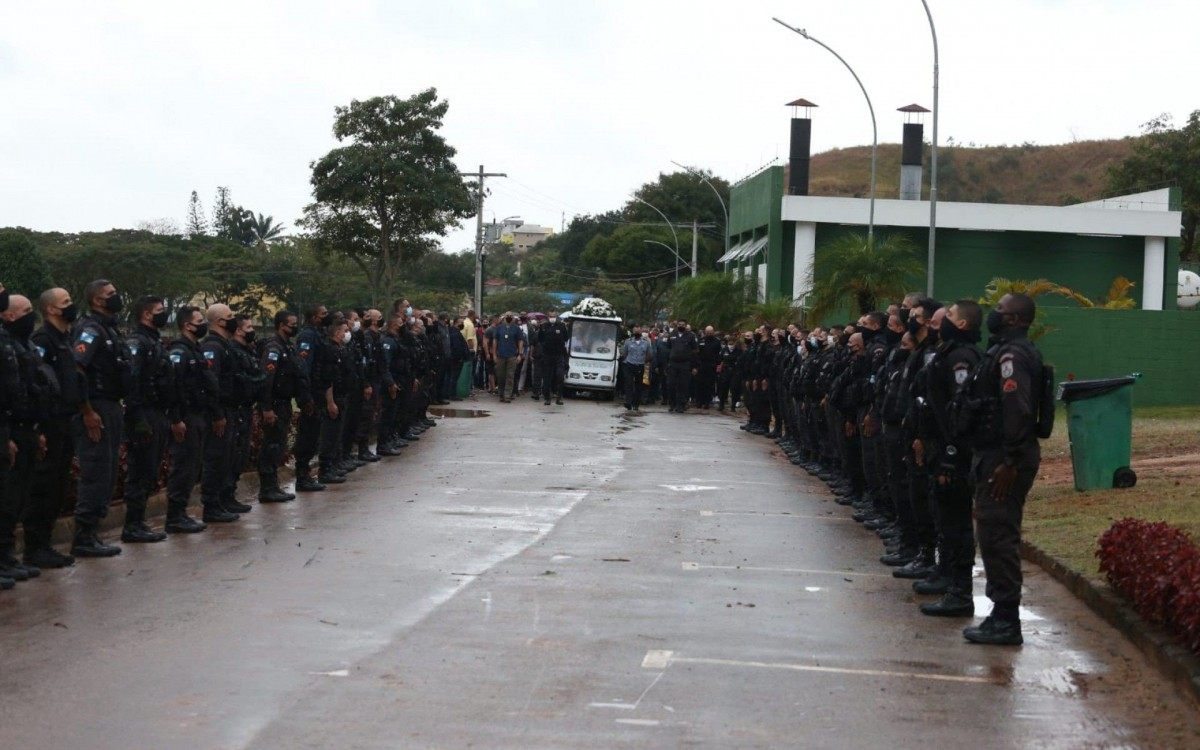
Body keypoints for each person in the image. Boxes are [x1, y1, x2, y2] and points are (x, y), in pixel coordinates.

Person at [961, 293, 1044, 646]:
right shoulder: (1002, 350)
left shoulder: (1013, 356)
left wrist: (1010, 460)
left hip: (1005, 459)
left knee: (999, 535)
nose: (992, 315)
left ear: (1013, 319)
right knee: (991, 533)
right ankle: (1000, 613)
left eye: (999, 310)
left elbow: (1018, 410)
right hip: (994, 455)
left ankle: (1008, 620)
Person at [917, 299, 983, 618]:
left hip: (954, 453)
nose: (941, 321)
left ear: (962, 325)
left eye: (950, 316)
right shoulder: (948, 352)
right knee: (945, 518)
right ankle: (947, 576)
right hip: (942, 448)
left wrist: (950, 455)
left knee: (957, 523)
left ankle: (960, 591)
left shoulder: (961, 358)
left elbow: (961, 412)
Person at [70, 279, 130, 557]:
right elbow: (77, 369)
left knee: (107, 471)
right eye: (111, 294)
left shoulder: (109, 328)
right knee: (95, 471)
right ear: (97, 300)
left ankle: (93, 533)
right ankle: (83, 537)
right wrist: (87, 411)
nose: (116, 298)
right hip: (96, 407)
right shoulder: (90, 329)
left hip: (111, 406)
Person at [25, 288, 80, 568]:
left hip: (66, 421)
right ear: (51, 310)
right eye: (66, 302)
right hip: (50, 422)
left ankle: (45, 544)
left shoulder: (66, 339)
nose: (71, 306)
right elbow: (39, 385)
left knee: (58, 485)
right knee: (43, 487)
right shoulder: (43, 340)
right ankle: (35, 547)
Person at [0, 295, 50, 582]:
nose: (32, 316)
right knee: (7, 498)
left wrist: (37, 429)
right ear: (9, 316)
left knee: (18, 497)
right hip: (11, 427)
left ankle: (7, 557)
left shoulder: (22, 343)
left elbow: (29, 387)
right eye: (27, 311)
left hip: (26, 426)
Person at [121, 296, 174, 543]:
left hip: (157, 412)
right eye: (160, 311)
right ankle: (132, 525)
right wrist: (138, 417)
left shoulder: (154, 341)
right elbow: (132, 383)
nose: (164, 314)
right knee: (140, 470)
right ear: (146, 314)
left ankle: (139, 522)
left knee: (149, 471)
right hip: (143, 413)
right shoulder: (137, 341)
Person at [164, 305, 214, 534]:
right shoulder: (179, 351)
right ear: (187, 325)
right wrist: (176, 418)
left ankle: (181, 513)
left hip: (198, 415)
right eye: (199, 320)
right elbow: (173, 387)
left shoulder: (196, 349)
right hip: (185, 417)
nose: (203, 323)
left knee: (193, 467)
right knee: (183, 467)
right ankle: (175, 516)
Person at [199, 304, 242, 522]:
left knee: (227, 458)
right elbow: (211, 383)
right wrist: (217, 414)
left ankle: (224, 499)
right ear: (218, 321)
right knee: (215, 458)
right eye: (230, 316)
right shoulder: (212, 347)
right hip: (218, 411)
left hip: (229, 408)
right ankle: (211, 506)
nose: (234, 319)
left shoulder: (225, 345)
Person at [258, 310, 305, 502]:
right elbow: (267, 380)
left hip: (284, 403)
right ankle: (267, 489)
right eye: (292, 323)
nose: (295, 327)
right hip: (275, 404)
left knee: (278, 447)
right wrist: (266, 408)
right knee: (271, 446)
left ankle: (273, 486)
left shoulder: (288, 347)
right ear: (281, 326)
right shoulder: (274, 348)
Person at [225, 315, 265, 512]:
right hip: (236, 408)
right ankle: (224, 498)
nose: (252, 330)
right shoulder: (232, 350)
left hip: (246, 407)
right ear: (239, 330)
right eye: (249, 327)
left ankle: (229, 495)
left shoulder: (248, 350)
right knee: (231, 455)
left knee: (240, 455)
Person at [293, 306, 328, 492]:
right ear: (314, 317)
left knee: (313, 436)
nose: (326, 317)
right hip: (311, 393)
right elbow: (304, 367)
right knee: (307, 436)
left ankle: (305, 474)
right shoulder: (307, 336)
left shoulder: (318, 334)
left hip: (318, 392)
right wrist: (306, 397)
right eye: (323, 314)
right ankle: (302, 475)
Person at [315, 313, 351, 485]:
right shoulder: (329, 349)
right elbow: (328, 379)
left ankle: (334, 465)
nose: (346, 333)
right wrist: (330, 402)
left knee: (337, 433)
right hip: (334, 398)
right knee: (329, 435)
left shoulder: (340, 348)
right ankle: (325, 469)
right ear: (337, 332)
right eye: (344, 330)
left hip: (342, 395)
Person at [490, 312, 525, 403]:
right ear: (504, 317)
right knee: (501, 376)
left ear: (513, 318)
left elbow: (520, 341)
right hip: (500, 355)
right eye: (507, 315)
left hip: (512, 356)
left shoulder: (516, 328)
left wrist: (520, 354)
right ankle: (501, 393)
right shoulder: (499, 328)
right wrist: (494, 354)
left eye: (511, 316)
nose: (509, 317)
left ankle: (507, 395)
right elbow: (495, 341)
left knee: (510, 376)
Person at [537, 312, 569, 405]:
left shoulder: (561, 326)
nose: (552, 318)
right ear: (548, 317)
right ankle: (547, 398)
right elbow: (540, 339)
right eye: (551, 316)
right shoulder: (544, 326)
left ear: (556, 317)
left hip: (559, 355)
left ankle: (559, 397)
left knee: (559, 376)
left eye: (554, 316)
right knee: (547, 377)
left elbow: (566, 338)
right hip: (547, 355)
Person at [665, 319, 698, 413]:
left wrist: (695, 366)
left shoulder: (691, 336)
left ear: (686, 326)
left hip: (685, 364)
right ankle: (672, 404)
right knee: (671, 384)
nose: (681, 326)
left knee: (683, 385)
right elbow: (667, 349)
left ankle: (681, 405)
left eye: (683, 325)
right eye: (679, 324)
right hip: (673, 363)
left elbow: (695, 352)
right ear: (677, 325)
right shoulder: (672, 335)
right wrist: (666, 364)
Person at [620, 324, 652, 411]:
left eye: (638, 331)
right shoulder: (628, 342)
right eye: (635, 331)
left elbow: (649, 355)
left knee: (638, 386)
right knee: (629, 384)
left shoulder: (646, 342)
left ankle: (636, 404)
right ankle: (628, 402)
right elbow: (624, 354)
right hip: (629, 365)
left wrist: (644, 362)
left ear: (641, 331)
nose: (637, 332)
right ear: (633, 332)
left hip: (640, 366)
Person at [694, 326, 721, 410]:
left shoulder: (717, 342)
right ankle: (699, 402)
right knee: (699, 384)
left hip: (711, 366)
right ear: (705, 332)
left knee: (709, 385)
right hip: (701, 365)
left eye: (710, 332)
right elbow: (697, 353)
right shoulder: (701, 340)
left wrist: (717, 364)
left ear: (713, 332)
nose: (709, 334)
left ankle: (707, 402)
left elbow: (718, 355)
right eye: (707, 332)